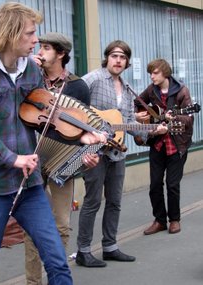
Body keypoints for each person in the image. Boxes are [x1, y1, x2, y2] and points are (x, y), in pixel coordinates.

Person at [0, 3, 107, 285]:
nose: (36, 40)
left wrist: (82, 137)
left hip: (29, 184)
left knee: (58, 261)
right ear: (10, 34)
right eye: (30, 33)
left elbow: (46, 118)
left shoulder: (30, 70)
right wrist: (11, 158)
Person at [75, 40, 168, 267]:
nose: (118, 60)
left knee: (115, 201)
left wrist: (152, 130)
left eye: (123, 57)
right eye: (114, 56)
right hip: (94, 151)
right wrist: (89, 129)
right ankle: (83, 251)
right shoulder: (93, 79)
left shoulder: (127, 89)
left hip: (117, 153)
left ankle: (110, 246)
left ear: (127, 62)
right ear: (107, 58)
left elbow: (126, 122)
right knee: (92, 201)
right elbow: (73, 104)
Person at [24, 32, 99, 285]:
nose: (40, 51)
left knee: (61, 225)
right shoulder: (30, 79)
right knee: (31, 228)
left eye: (46, 48)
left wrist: (87, 156)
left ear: (61, 53)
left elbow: (84, 131)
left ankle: (57, 278)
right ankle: (32, 282)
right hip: (32, 160)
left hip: (61, 163)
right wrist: (26, 73)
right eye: (40, 47)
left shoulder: (78, 86)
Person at [134, 58, 194, 235]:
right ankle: (159, 220)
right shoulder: (152, 90)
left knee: (172, 184)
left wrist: (171, 119)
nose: (152, 76)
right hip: (157, 144)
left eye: (155, 73)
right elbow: (138, 102)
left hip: (177, 144)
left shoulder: (182, 91)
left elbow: (189, 120)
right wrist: (143, 117)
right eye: (150, 73)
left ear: (165, 73)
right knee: (154, 185)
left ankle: (174, 220)